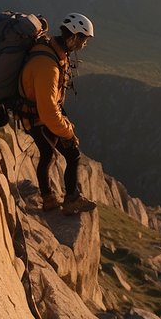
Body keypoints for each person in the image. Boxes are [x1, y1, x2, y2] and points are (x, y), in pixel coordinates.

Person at [19, 12, 96, 214]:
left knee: (46, 153)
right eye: (83, 40)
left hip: (33, 113)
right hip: (38, 117)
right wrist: (68, 132)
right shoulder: (48, 67)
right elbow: (48, 111)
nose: (83, 45)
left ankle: (49, 199)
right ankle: (71, 200)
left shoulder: (53, 49)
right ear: (73, 37)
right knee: (73, 154)